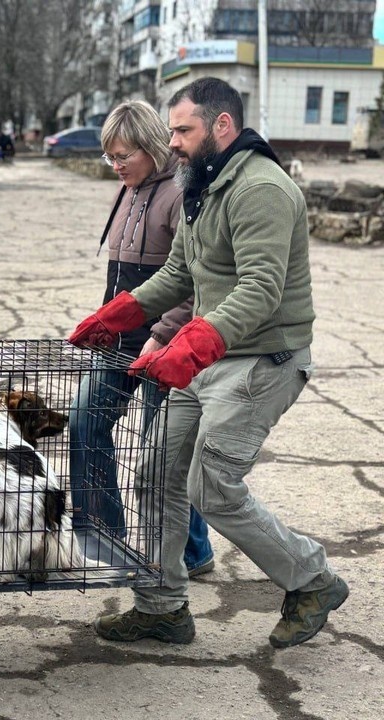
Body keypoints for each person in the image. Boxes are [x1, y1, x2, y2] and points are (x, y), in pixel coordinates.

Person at [69, 77, 347, 648]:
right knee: (155, 476)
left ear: (222, 125)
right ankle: (162, 607)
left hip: (262, 361)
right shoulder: (203, 182)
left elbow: (261, 288)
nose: (171, 141)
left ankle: (313, 579)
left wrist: (191, 345)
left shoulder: (261, 189)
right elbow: (179, 274)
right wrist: (119, 315)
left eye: (182, 129)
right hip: (212, 359)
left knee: (212, 488)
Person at [69, 100, 213, 578]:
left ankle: (193, 552)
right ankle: (103, 535)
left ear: (151, 146)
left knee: (162, 455)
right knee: (85, 423)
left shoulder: (181, 194)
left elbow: (189, 281)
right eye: (108, 156)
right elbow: (121, 275)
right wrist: (104, 321)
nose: (115, 165)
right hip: (119, 341)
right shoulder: (127, 189)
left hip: (164, 344)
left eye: (122, 155)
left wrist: (162, 335)